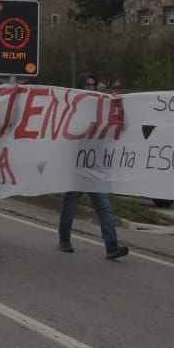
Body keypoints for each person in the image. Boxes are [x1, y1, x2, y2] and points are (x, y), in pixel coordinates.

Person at [58, 72, 131, 259]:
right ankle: (64, 239)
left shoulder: (105, 107)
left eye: (93, 85)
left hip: (97, 168)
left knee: (105, 208)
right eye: (87, 85)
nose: (91, 88)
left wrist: (116, 105)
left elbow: (122, 126)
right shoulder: (73, 109)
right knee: (70, 206)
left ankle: (112, 246)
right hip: (77, 168)